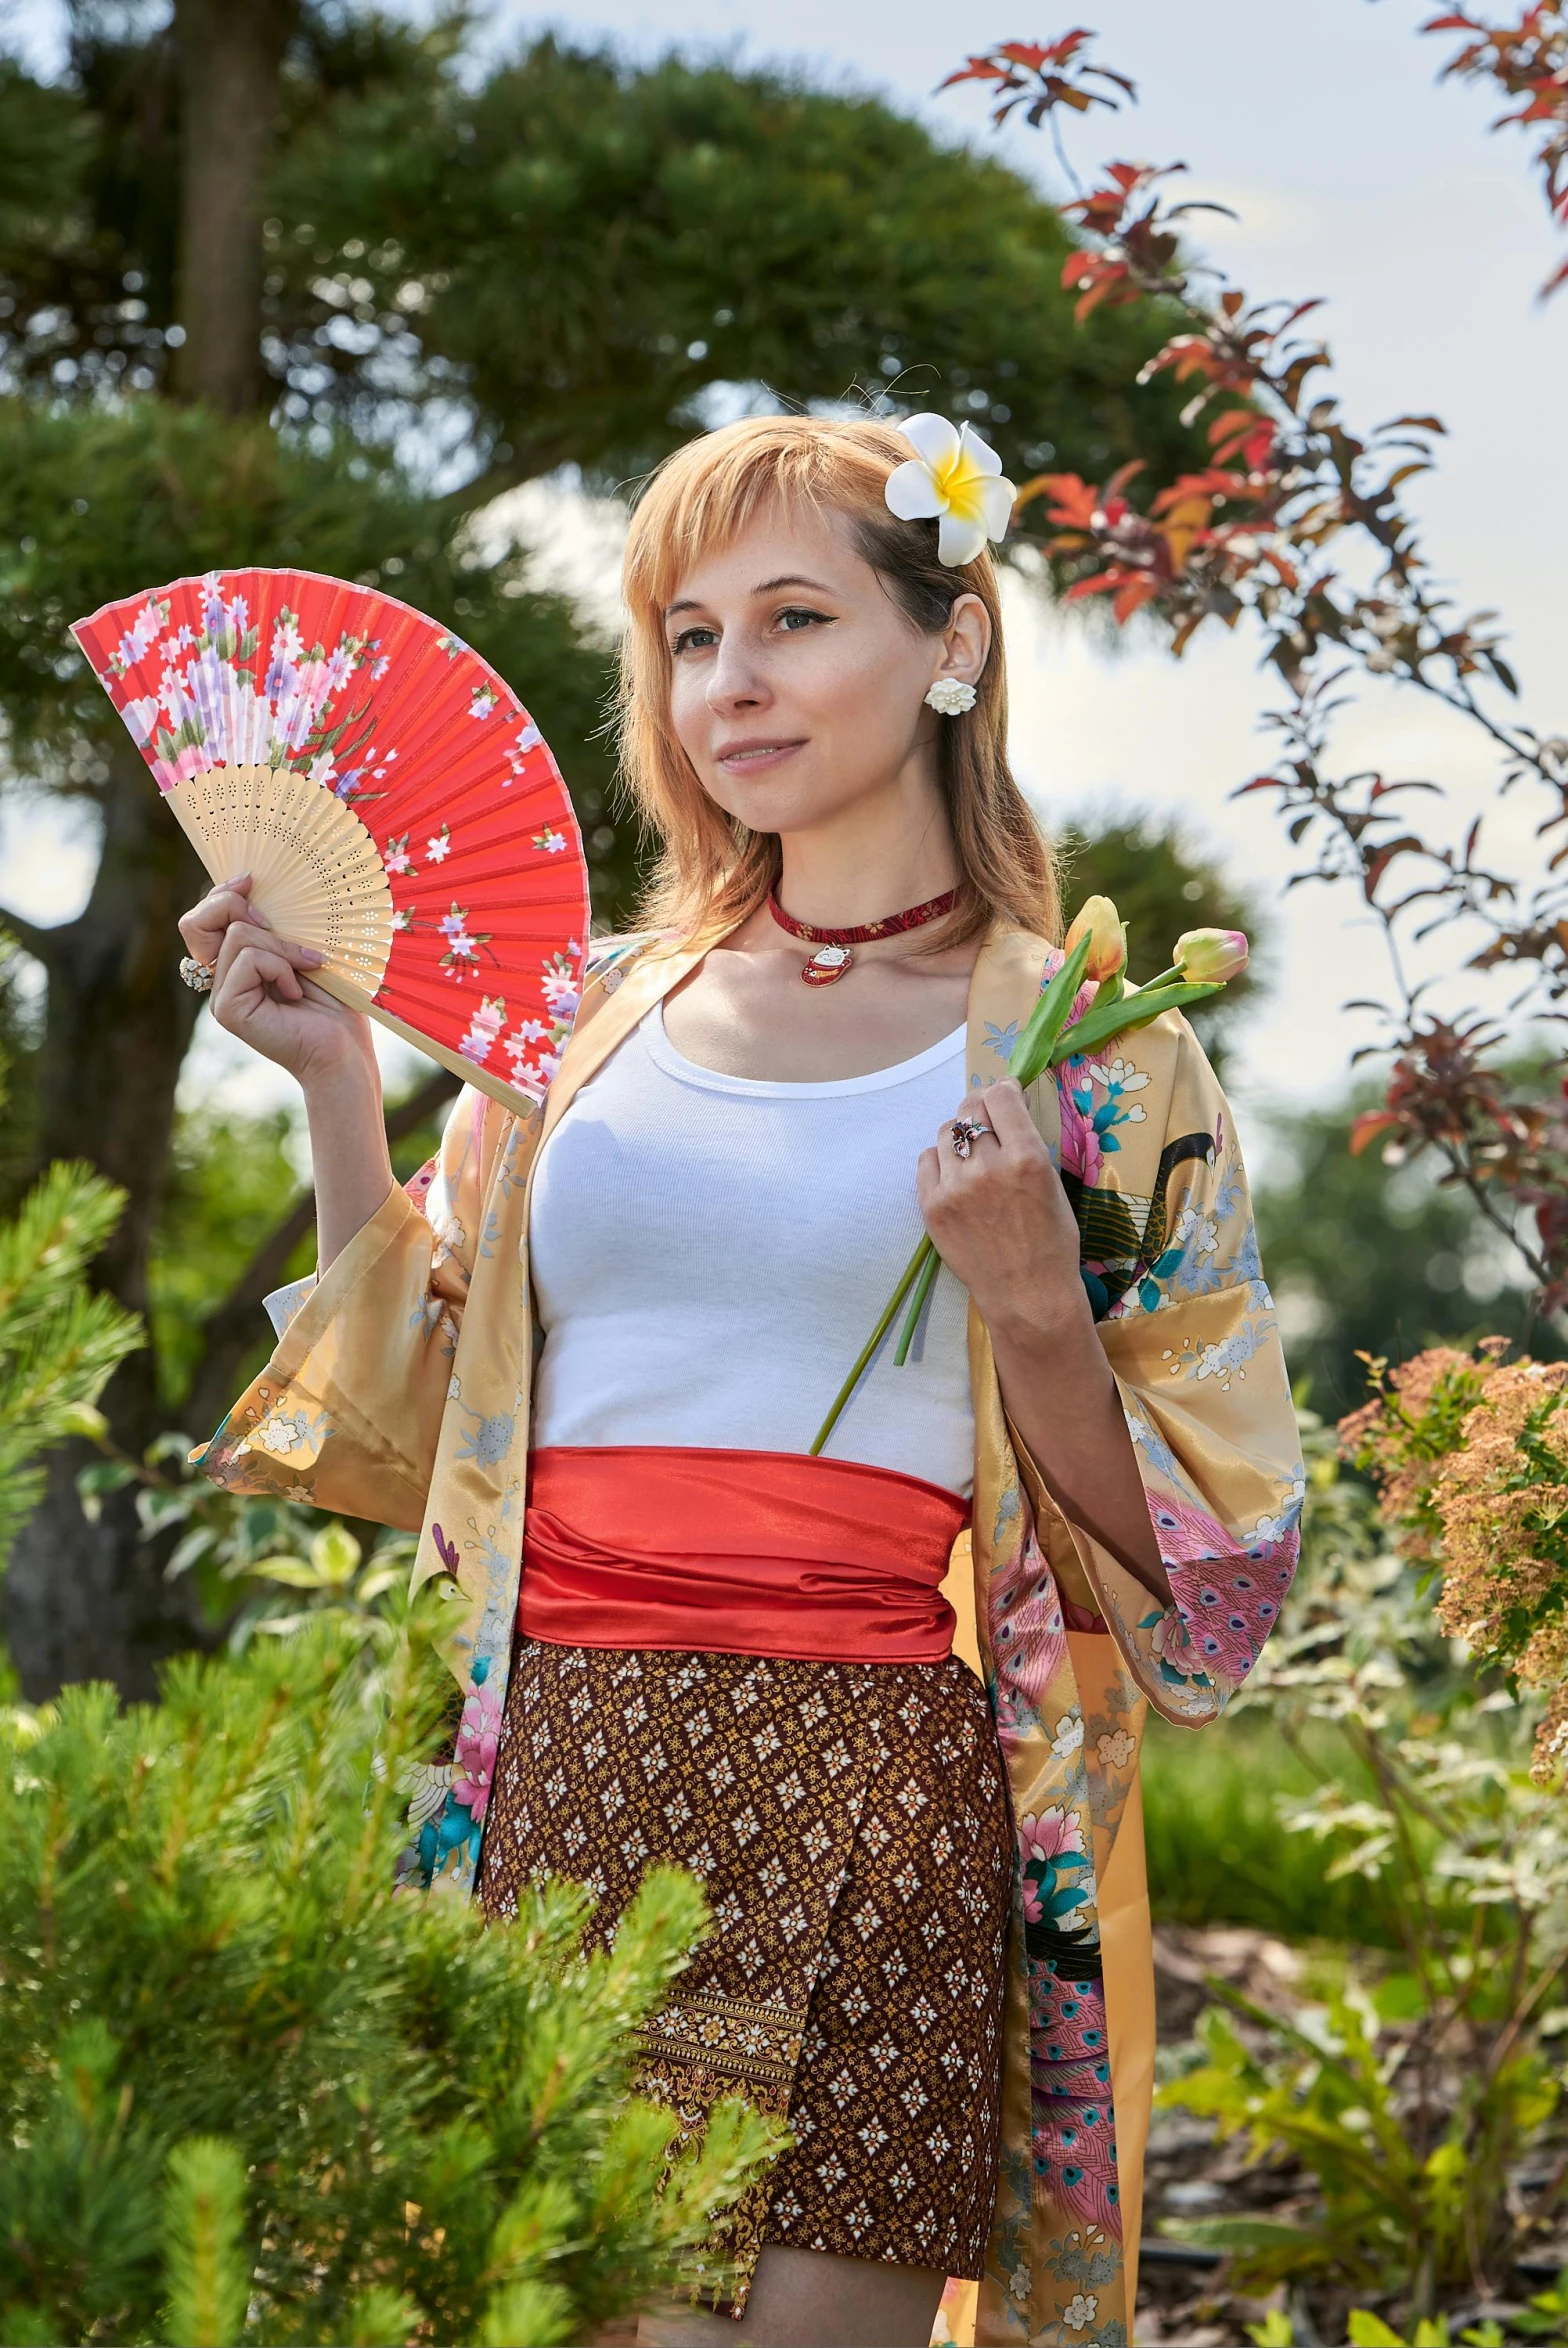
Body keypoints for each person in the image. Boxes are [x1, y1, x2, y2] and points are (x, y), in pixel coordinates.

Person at [183, 413, 1303, 2348]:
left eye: (792, 617)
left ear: (950, 644)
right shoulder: (580, 1018)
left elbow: (1210, 1591)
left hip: (872, 1797)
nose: (729, 684)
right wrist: (342, 1090)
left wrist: (1036, 1302)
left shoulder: (1093, 1060)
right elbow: (415, 1428)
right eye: (688, 637)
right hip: (558, 1782)